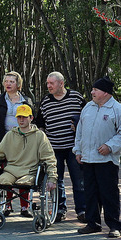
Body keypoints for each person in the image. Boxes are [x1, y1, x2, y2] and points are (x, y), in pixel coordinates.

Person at [73, 77, 121, 238]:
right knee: (90, 193)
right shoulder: (88, 107)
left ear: (105, 92)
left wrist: (110, 146)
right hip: (88, 159)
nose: (92, 92)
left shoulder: (117, 109)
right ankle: (93, 223)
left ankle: (114, 226)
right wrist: (78, 150)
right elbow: (80, 131)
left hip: (107, 160)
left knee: (109, 193)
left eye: (95, 90)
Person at [34, 71, 86, 222]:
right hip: (54, 148)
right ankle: (59, 209)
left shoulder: (76, 98)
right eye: (47, 83)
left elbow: (87, 117)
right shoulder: (46, 101)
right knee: (56, 180)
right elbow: (40, 123)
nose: (48, 86)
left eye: (51, 83)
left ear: (61, 84)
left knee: (79, 180)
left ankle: (82, 210)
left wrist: (79, 127)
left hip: (74, 148)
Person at [0, 104, 57, 209]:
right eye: (19, 117)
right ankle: (6, 206)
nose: (21, 120)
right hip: (11, 170)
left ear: (31, 118)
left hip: (30, 171)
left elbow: (49, 158)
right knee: (3, 181)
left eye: (24, 117)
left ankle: (25, 207)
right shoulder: (10, 135)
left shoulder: (40, 136)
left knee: (23, 183)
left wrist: (52, 178)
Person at [0, 70, 34, 216]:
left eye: (11, 81)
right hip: (4, 140)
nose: (8, 84)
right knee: (7, 171)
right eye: (6, 81)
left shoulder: (26, 100)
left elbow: (33, 119)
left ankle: (25, 207)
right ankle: (7, 205)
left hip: (23, 140)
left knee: (23, 171)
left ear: (18, 84)